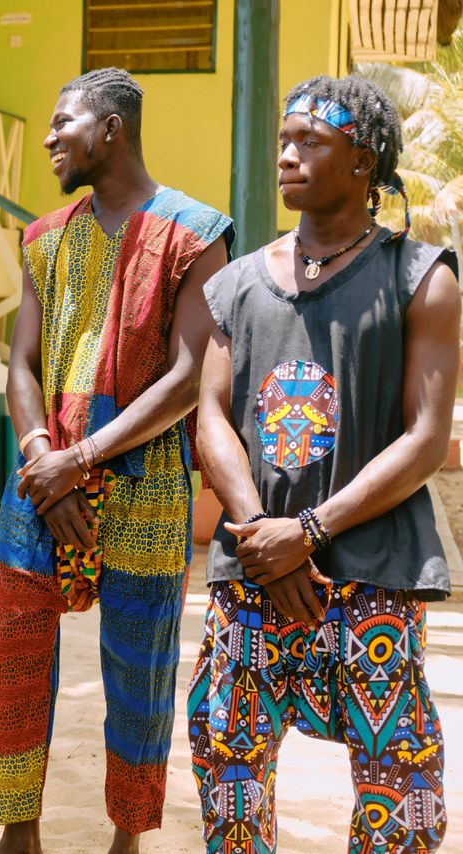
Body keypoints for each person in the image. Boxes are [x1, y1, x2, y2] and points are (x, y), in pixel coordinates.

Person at [190, 75, 455, 853]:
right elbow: (211, 416)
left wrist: (306, 531)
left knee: (396, 775)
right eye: (283, 140)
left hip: (372, 571)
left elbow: (426, 437)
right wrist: (259, 537)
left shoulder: (422, 275)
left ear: (364, 160)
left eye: (312, 142)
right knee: (227, 760)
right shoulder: (236, 284)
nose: (288, 156)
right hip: (252, 571)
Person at [0, 68, 233, 854]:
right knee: (17, 658)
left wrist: (81, 459)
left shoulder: (197, 230)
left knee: (140, 668)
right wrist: (42, 460)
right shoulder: (44, 236)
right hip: (40, 478)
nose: (52, 137)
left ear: (112, 129)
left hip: (146, 480)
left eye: (65, 122)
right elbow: (21, 365)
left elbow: (192, 375)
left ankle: (128, 836)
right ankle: (18, 830)